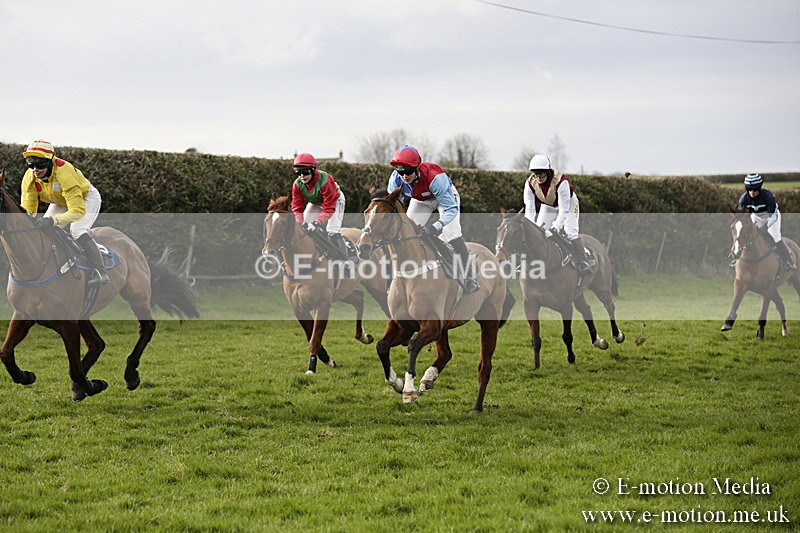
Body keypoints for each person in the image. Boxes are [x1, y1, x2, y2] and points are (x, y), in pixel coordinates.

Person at [387, 144, 479, 293]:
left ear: (416, 167)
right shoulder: (395, 180)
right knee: (408, 233)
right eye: (400, 172)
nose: (404, 176)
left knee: (452, 235)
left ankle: (470, 276)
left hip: (446, 200)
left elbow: (451, 210)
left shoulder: (435, 178)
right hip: (421, 200)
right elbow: (393, 205)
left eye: (408, 171)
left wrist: (434, 227)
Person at [20, 140, 110, 285]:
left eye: (40, 164)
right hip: (60, 200)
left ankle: (100, 271)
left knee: (77, 230)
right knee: (44, 231)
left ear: (51, 161)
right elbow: (28, 211)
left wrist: (52, 220)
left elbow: (77, 211)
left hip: (86, 198)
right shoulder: (29, 178)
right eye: (31, 164)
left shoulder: (64, 173)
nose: (35, 169)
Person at [523, 154, 592, 275]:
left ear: (548, 172)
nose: (538, 177)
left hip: (568, 205)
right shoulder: (529, 183)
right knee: (539, 232)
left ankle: (583, 261)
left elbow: (563, 210)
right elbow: (530, 209)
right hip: (548, 205)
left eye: (541, 173)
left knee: (570, 232)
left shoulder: (561, 181)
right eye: (535, 173)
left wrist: (555, 227)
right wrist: (530, 226)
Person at [290, 153, 350, 262]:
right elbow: (297, 207)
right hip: (316, 202)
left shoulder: (325, 181)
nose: (302, 176)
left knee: (332, 231)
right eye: (298, 172)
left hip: (334, 201)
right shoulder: (297, 184)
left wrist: (317, 222)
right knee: (303, 229)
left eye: (305, 172)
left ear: (313, 170)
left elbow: (329, 207)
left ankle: (346, 260)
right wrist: (301, 222)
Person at [737, 172, 796, 270]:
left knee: (776, 237)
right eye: (749, 189)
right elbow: (740, 215)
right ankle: (736, 257)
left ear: (759, 188)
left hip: (772, 217)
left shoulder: (768, 196)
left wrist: (766, 226)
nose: (752, 192)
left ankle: (788, 261)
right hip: (756, 217)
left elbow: (772, 216)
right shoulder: (743, 199)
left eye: (755, 189)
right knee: (746, 234)